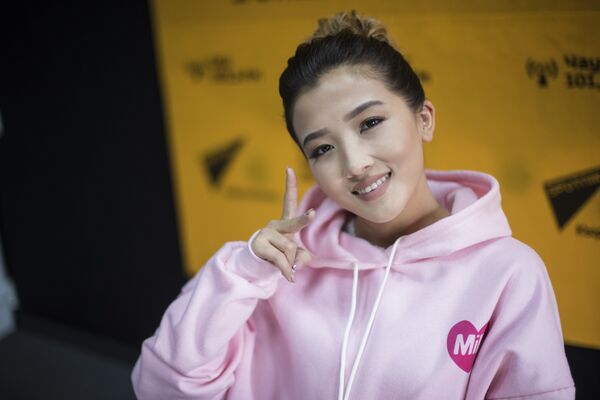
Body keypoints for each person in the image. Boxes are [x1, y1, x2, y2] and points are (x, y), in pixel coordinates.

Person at [131, 10, 575, 400]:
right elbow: (160, 389)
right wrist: (243, 272)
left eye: (370, 123)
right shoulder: (270, 269)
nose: (355, 164)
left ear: (424, 119)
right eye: (322, 148)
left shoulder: (507, 273)